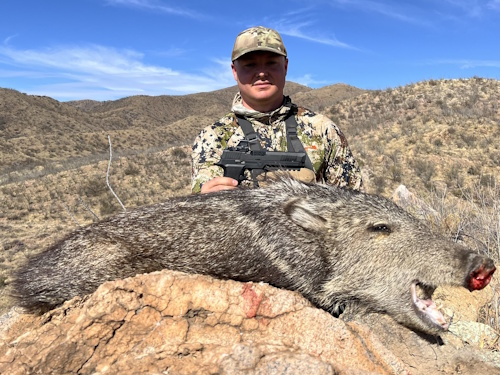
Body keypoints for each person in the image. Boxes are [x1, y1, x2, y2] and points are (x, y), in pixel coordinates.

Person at [191, 26, 363, 194]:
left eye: (271, 63)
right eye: (250, 65)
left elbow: (355, 207)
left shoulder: (323, 130)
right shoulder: (212, 137)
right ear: (235, 71)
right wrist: (202, 202)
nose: (261, 73)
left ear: (286, 67)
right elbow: (194, 213)